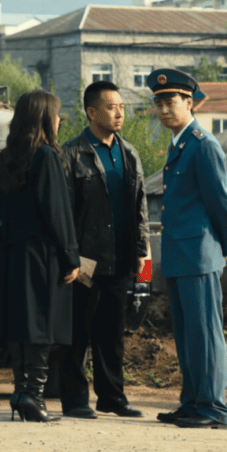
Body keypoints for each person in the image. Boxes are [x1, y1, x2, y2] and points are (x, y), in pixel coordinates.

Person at [147, 68, 227, 430]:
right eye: (158, 103)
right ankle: (192, 403)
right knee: (187, 336)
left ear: (189, 102)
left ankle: (213, 407)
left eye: (170, 101)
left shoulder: (203, 144)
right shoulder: (179, 144)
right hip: (179, 253)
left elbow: (220, 201)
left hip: (199, 253)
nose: (164, 109)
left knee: (205, 333)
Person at [56, 81, 148, 419]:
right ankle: (74, 399)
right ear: (92, 112)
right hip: (85, 260)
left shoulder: (129, 153)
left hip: (120, 255)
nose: (119, 113)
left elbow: (140, 204)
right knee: (78, 329)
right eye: (112, 107)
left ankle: (112, 397)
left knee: (112, 332)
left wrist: (142, 249)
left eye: (122, 107)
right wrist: (69, 257)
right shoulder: (72, 153)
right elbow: (63, 211)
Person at [0, 90, 81, 423]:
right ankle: (33, 395)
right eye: (56, 116)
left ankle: (20, 392)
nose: (59, 122)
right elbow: (57, 212)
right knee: (42, 325)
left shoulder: (8, 159)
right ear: (45, 118)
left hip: (14, 253)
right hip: (42, 255)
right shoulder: (46, 156)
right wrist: (71, 256)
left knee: (21, 324)